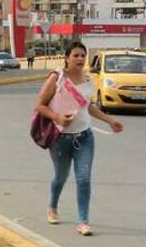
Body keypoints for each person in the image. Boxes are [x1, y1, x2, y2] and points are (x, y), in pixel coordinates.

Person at [34, 41, 123, 236]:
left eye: (83, 55)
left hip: (84, 137)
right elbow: (40, 105)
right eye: (76, 55)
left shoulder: (89, 82)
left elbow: (87, 106)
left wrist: (110, 120)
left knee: (83, 179)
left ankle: (83, 221)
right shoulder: (56, 79)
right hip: (60, 138)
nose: (80, 59)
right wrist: (57, 117)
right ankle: (52, 206)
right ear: (67, 58)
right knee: (61, 177)